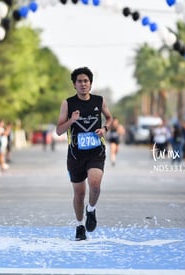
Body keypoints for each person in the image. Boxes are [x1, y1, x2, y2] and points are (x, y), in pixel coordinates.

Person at [56, 67, 113, 241]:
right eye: (79, 81)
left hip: (96, 152)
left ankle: (91, 209)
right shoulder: (67, 103)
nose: (83, 84)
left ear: (90, 83)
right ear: (74, 84)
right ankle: (80, 225)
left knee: (95, 184)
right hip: (75, 155)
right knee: (79, 194)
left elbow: (110, 118)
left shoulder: (99, 100)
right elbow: (59, 130)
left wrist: (105, 128)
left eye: (86, 81)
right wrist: (71, 120)